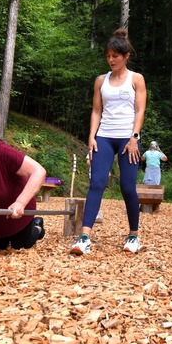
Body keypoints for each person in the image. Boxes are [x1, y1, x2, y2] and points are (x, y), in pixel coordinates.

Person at [70, 28, 147, 255]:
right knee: (97, 184)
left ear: (126, 57)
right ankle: (84, 237)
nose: (111, 60)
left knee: (127, 188)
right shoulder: (101, 81)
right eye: (108, 56)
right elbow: (96, 111)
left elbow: (140, 110)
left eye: (116, 56)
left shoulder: (136, 79)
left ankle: (133, 235)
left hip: (127, 138)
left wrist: (134, 138)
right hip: (104, 136)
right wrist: (91, 137)